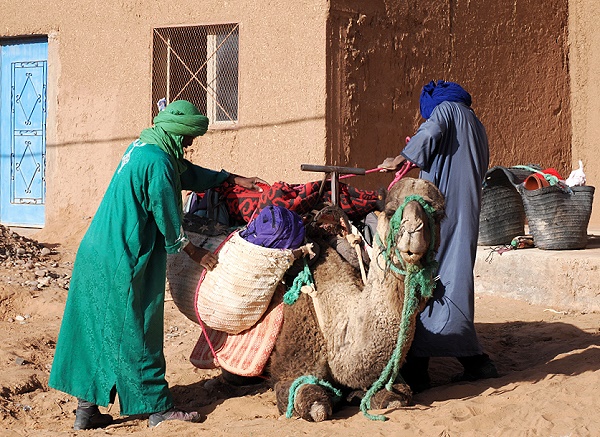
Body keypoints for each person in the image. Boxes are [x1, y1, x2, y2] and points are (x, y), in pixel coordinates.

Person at [48, 100, 267, 430]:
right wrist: (193, 251)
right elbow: (167, 213)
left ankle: (86, 410)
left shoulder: (142, 148)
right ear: (178, 135)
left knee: (96, 329)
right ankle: (158, 408)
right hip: (124, 257)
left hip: (96, 251)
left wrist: (229, 178)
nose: (189, 145)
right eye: (189, 139)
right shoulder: (159, 162)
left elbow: (185, 172)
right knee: (138, 328)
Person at [378, 80, 498, 391]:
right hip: (465, 212)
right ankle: (470, 362)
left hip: (442, 213)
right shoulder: (475, 123)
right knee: (454, 275)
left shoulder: (446, 111)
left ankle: (428, 366)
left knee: (429, 275)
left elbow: (429, 133)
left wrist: (399, 160)